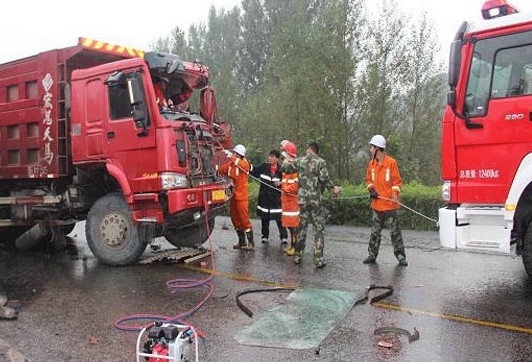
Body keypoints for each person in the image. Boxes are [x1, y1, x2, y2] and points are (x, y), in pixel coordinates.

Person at [286, 141, 341, 268]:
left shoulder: (299, 161)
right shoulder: (320, 162)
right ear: (317, 151)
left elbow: (286, 169)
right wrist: (334, 189)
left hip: (303, 201)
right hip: (315, 201)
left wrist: (287, 160)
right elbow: (324, 179)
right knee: (319, 230)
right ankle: (318, 260)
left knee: (302, 229)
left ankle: (298, 256)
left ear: (308, 149)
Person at [364, 135, 408, 266]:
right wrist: (371, 189)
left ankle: (400, 256)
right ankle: (372, 255)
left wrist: (394, 193)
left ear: (377, 148)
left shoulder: (391, 163)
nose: (370, 149)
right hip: (377, 205)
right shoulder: (371, 164)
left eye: (371, 147)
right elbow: (368, 180)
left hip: (390, 205)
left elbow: (397, 182)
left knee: (395, 232)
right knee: (375, 233)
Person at [218, 144, 254, 251]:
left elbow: (243, 166)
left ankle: (251, 242)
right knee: (235, 220)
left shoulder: (244, 164)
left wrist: (232, 157)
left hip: (242, 197)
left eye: (234, 153)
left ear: (239, 155)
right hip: (232, 196)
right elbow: (221, 169)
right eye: (233, 153)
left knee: (244, 220)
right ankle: (242, 241)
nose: (233, 154)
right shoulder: (230, 165)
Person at [250, 150, 287, 245]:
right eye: (269, 156)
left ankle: (284, 237)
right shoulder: (264, 167)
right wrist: (246, 164)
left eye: (272, 156)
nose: (270, 158)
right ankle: (265, 236)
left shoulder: (282, 170)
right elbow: (254, 171)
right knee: (264, 218)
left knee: (280, 219)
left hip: (277, 200)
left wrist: (281, 184)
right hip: (264, 199)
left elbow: (287, 182)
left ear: (277, 159)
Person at [279, 141, 299, 256]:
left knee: (294, 227)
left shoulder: (295, 168)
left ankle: (295, 248)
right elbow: (287, 182)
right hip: (287, 202)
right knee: (289, 226)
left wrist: (285, 188)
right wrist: (281, 184)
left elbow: (296, 185)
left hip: (293, 203)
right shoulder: (288, 167)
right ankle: (292, 246)